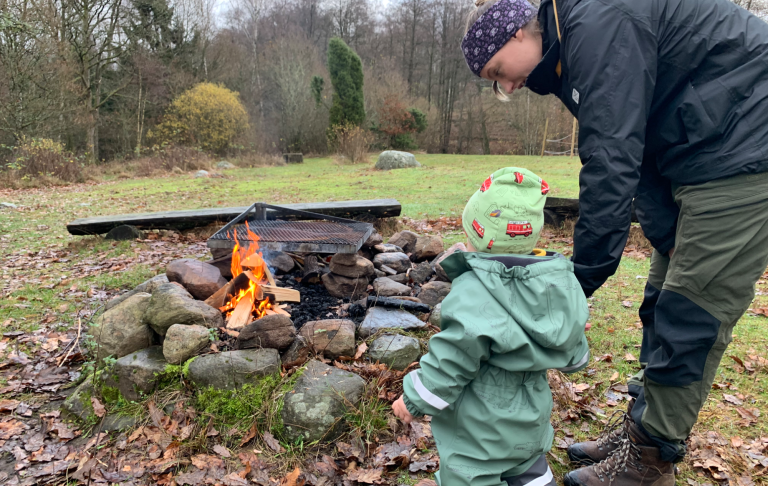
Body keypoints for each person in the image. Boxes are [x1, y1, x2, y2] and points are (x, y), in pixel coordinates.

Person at [460, 0, 768, 484]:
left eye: (498, 71)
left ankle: (650, 460)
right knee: (662, 296)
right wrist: (665, 233)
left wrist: (576, 283)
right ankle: (641, 428)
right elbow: (636, 147)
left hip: (747, 143)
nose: (508, 87)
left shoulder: (597, 25)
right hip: (700, 146)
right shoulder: (572, 46)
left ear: (518, 33)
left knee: (691, 310)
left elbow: (610, 159)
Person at [391, 167, 590, 486]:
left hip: (480, 431)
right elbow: (573, 348)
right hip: (532, 418)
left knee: (469, 475)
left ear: (477, 236)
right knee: (527, 465)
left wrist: (415, 399)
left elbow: (452, 359)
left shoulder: (474, 292)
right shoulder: (558, 281)